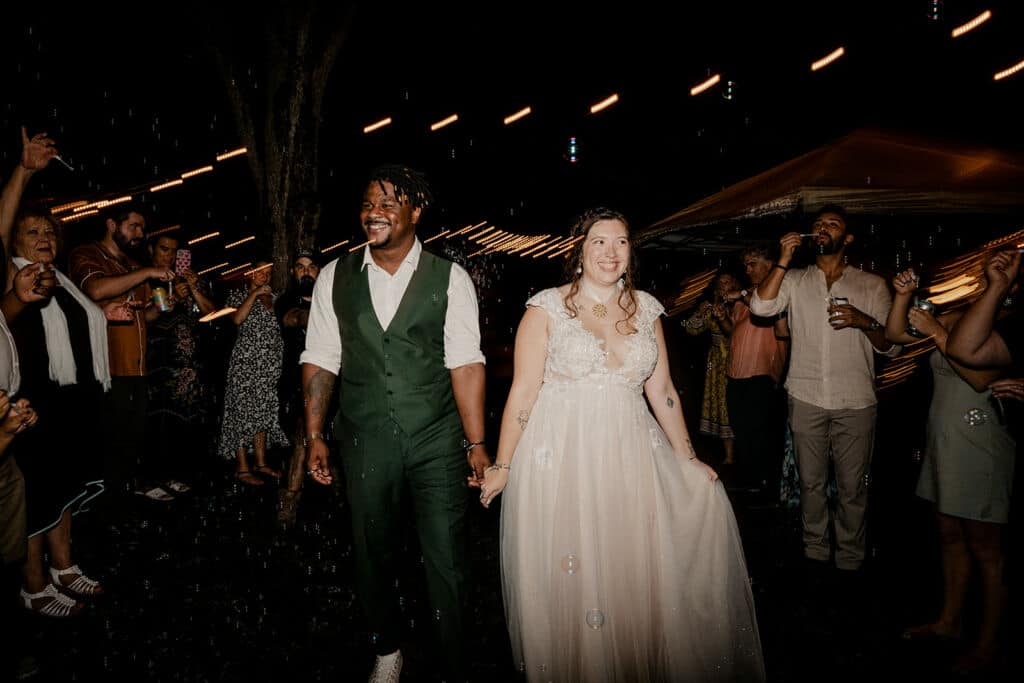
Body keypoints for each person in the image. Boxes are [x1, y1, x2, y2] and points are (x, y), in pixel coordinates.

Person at [478, 207, 764, 681]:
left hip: (630, 452)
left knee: (630, 566)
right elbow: (524, 390)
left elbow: (663, 391)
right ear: (579, 252)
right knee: (574, 566)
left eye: (621, 242)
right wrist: (503, 465)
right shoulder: (546, 307)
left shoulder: (648, 308)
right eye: (599, 242)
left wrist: (688, 458)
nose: (611, 252)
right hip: (562, 453)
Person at [301, 164, 488, 682]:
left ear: (415, 211)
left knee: (447, 556)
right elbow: (320, 358)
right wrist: (315, 435)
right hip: (363, 437)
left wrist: (476, 443)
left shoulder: (449, 277)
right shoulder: (334, 276)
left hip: (436, 437)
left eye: (387, 202)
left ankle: (453, 659)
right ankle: (386, 647)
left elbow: (465, 361)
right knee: (370, 548)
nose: (374, 213)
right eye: (367, 203)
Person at [750, 205, 899, 576]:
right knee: (810, 482)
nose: (822, 228)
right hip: (805, 394)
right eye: (817, 224)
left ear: (846, 238)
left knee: (852, 487)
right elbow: (761, 306)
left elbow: (893, 346)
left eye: (832, 224)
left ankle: (850, 557)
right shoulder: (795, 280)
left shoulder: (871, 285)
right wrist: (783, 259)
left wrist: (864, 321)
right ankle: (815, 551)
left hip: (856, 399)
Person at [6, 205, 117, 616]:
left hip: (69, 404)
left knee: (64, 488)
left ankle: (64, 566)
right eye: (32, 231)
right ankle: (32, 585)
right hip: (31, 405)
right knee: (38, 492)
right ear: (13, 241)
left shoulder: (62, 280)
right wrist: (24, 171)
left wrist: (106, 316)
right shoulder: (12, 275)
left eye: (49, 231)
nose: (43, 237)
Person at [938, 249, 1021, 674]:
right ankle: (950, 622)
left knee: (989, 548)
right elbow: (963, 345)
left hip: (991, 441)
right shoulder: (990, 315)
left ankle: (990, 643)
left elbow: (972, 365)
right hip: (954, 439)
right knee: (952, 533)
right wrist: (997, 288)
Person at [68, 202, 177, 503]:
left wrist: (163, 303)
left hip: (138, 366)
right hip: (107, 365)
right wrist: (147, 271)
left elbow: (148, 316)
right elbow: (96, 291)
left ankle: (129, 493)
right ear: (112, 225)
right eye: (134, 226)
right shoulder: (87, 255)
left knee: (132, 434)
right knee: (109, 437)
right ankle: (106, 500)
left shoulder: (132, 264)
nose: (140, 233)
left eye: (142, 228)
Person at [145, 233, 217, 495]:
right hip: (157, 364)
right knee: (158, 424)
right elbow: (146, 318)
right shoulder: (145, 278)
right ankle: (154, 479)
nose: (170, 256)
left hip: (189, 368)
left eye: (175, 251)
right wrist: (169, 297)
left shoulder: (191, 279)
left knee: (186, 423)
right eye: (164, 249)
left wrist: (194, 288)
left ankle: (178, 474)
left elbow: (211, 314)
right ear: (152, 249)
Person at [721, 246, 789, 498]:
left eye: (753, 264)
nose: (748, 270)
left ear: (771, 264)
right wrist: (723, 318)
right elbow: (733, 332)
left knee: (762, 433)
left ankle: (766, 484)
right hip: (736, 375)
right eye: (746, 265)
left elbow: (765, 309)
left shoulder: (779, 292)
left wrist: (740, 294)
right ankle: (750, 479)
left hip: (763, 374)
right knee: (742, 429)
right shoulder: (744, 297)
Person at [216, 259, 288, 485]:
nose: (264, 277)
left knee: (263, 412)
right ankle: (242, 468)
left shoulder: (276, 299)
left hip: (269, 366)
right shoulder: (238, 296)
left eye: (268, 273)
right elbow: (237, 319)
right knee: (241, 412)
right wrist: (254, 294)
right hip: (245, 365)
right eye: (259, 272)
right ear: (250, 274)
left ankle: (260, 463)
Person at [275, 249, 321, 525]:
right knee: (304, 437)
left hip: (335, 377)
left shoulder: (331, 297)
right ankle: (289, 501)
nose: (306, 272)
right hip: (299, 379)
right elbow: (293, 318)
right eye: (300, 267)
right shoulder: (287, 300)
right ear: (293, 272)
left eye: (311, 267)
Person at [683, 271, 738, 465]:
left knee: (733, 407)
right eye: (720, 283)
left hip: (737, 359)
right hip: (716, 363)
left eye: (728, 282)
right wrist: (700, 310)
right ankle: (728, 455)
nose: (724, 287)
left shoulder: (742, 305)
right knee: (721, 407)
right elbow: (690, 327)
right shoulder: (713, 307)